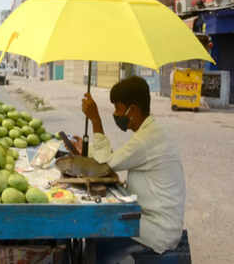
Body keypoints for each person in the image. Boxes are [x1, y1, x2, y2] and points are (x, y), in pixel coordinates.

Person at [77, 76, 186, 263]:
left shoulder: (146, 140)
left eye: (118, 108)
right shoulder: (150, 132)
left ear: (132, 110)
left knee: (99, 223)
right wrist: (89, 149)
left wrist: (95, 120)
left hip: (158, 230)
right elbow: (115, 158)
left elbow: (105, 164)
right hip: (156, 221)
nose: (116, 114)